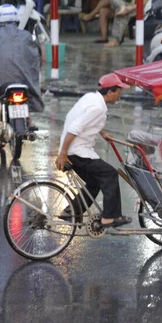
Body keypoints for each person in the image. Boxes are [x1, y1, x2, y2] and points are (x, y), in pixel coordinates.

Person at [54, 74, 132, 228]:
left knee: (94, 182)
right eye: (118, 91)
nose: (120, 95)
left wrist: (102, 133)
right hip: (77, 152)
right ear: (110, 92)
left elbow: (85, 121)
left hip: (75, 149)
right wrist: (62, 154)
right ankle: (109, 217)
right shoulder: (97, 108)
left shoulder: (91, 98)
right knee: (110, 174)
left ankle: (71, 212)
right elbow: (75, 128)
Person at [0, 4, 44, 134]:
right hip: (23, 81)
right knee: (33, 78)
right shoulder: (27, 36)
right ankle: (30, 120)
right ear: (16, 18)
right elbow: (38, 57)